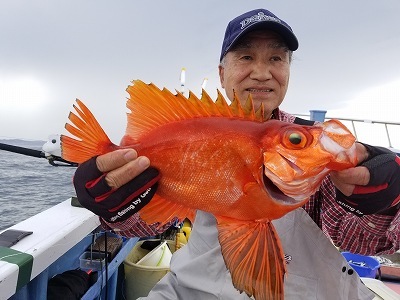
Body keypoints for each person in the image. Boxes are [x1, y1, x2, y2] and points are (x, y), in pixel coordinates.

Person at [73, 8, 400, 299]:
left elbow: (367, 243)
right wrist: (114, 206)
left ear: (288, 70)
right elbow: (144, 227)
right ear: (221, 73)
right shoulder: (195, 131)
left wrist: (383, 201)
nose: (261, 72)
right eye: (246, 57)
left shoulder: (310, 153)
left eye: (276, 58)